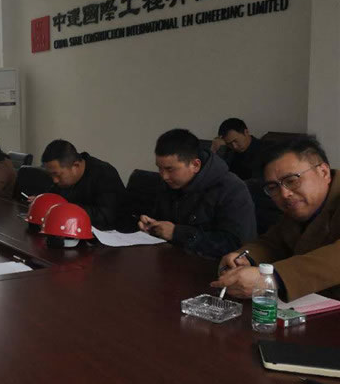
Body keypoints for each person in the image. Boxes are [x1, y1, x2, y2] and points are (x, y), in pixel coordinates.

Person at [212, 136, 340, 301]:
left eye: (291, 181)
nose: (284, 194)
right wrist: (243, 258)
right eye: (273, 187)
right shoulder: (299, 209)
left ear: (323, 172)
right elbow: (274, 242)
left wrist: (272, 279)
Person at [138, 129, 256, 258]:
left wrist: (177, 233)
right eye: (159, 168)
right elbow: (163, 223)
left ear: (195, 165)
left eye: (170, 169)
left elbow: (236, 245)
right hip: (172, 259)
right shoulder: (169, 184)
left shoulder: (231, 189)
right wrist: (152, 226)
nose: (164, 176)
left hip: (213, 266)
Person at [30, 139, 127, 230]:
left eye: (57, 175)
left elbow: (106, 216)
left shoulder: (104, 174)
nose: (54, 180)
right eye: (51, 175)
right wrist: (42, 201)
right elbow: (53, 196)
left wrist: (64, 208)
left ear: (76, 166)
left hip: (108, 235)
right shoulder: (61, 178)